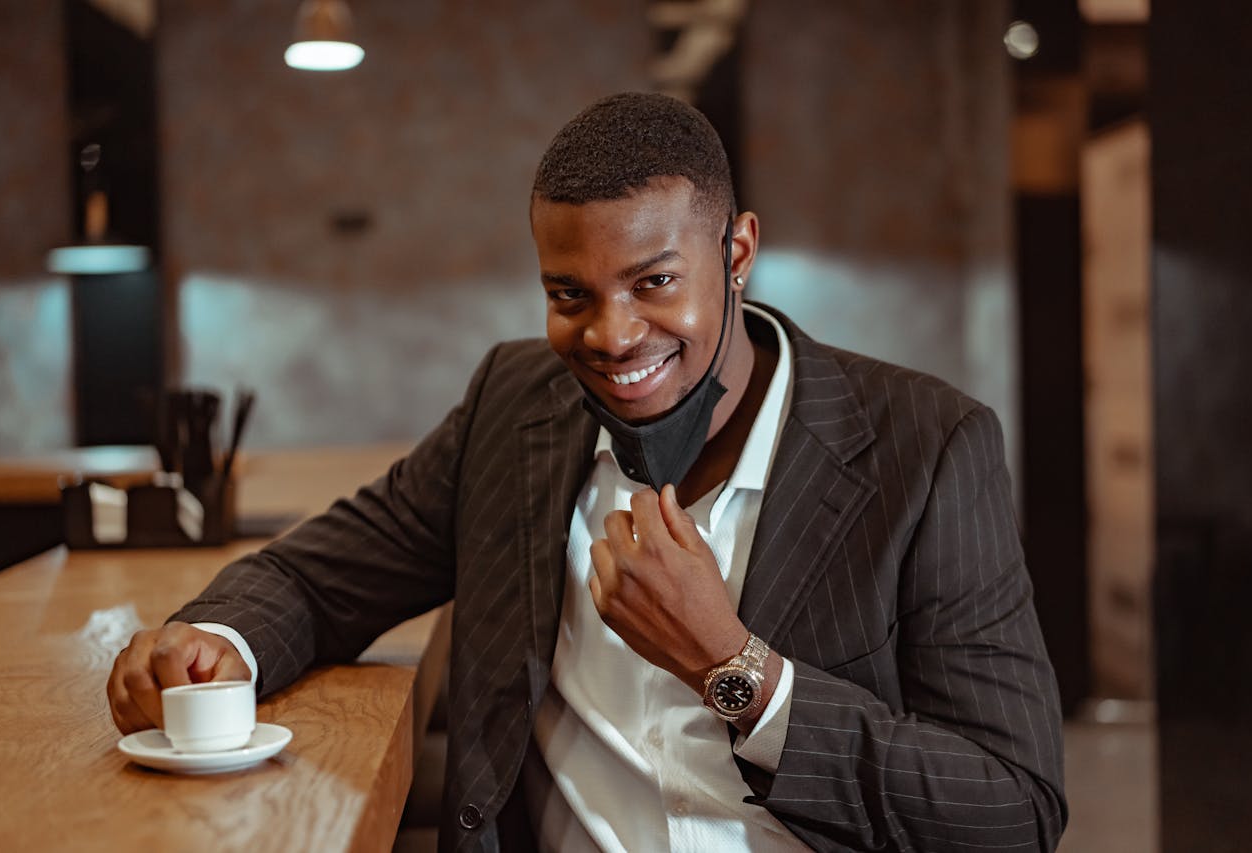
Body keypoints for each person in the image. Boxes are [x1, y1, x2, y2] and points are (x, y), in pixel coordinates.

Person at [106, 92, 1066, 852]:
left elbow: (1013, 810)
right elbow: (314, 576)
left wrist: (736, 671)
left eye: (654, 283)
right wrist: (213, 640)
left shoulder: (928, 447)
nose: (611, 336)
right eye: (570, 294)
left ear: (736, 253)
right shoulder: (513, 408)